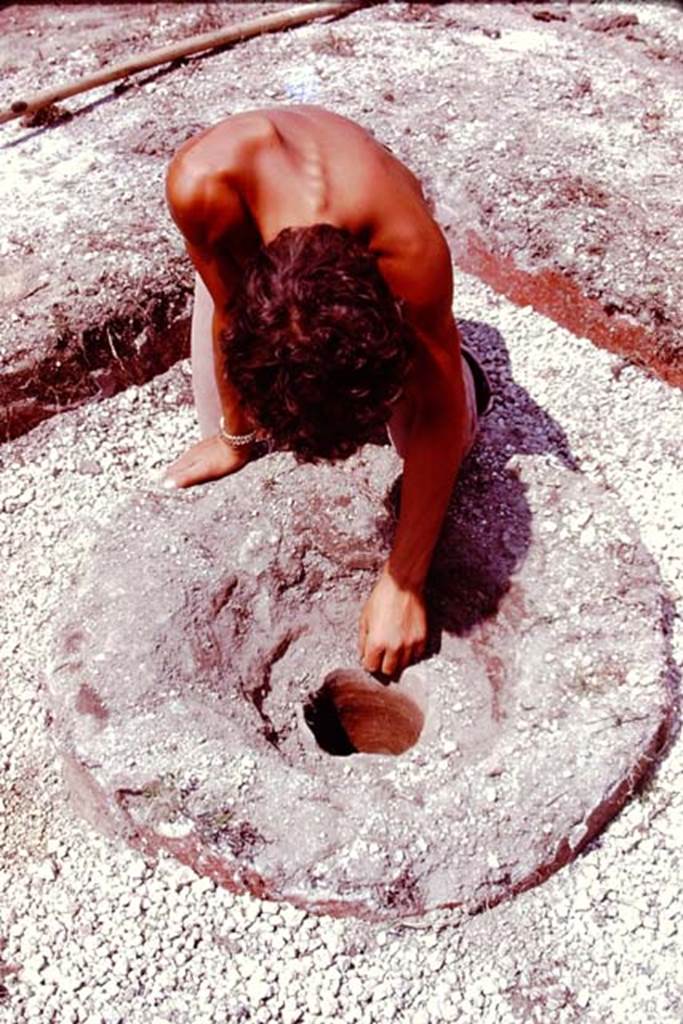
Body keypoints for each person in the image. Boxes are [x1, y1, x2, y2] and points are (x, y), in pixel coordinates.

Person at [163, 105, 490, 679]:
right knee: (222, 424)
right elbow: (226, 309)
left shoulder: (409, 253)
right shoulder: (201, 186)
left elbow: (439, 413)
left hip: (374, 227)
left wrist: (404, 581)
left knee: (442, 439)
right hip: (249, 223)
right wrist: (235, 438)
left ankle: (469, 368)